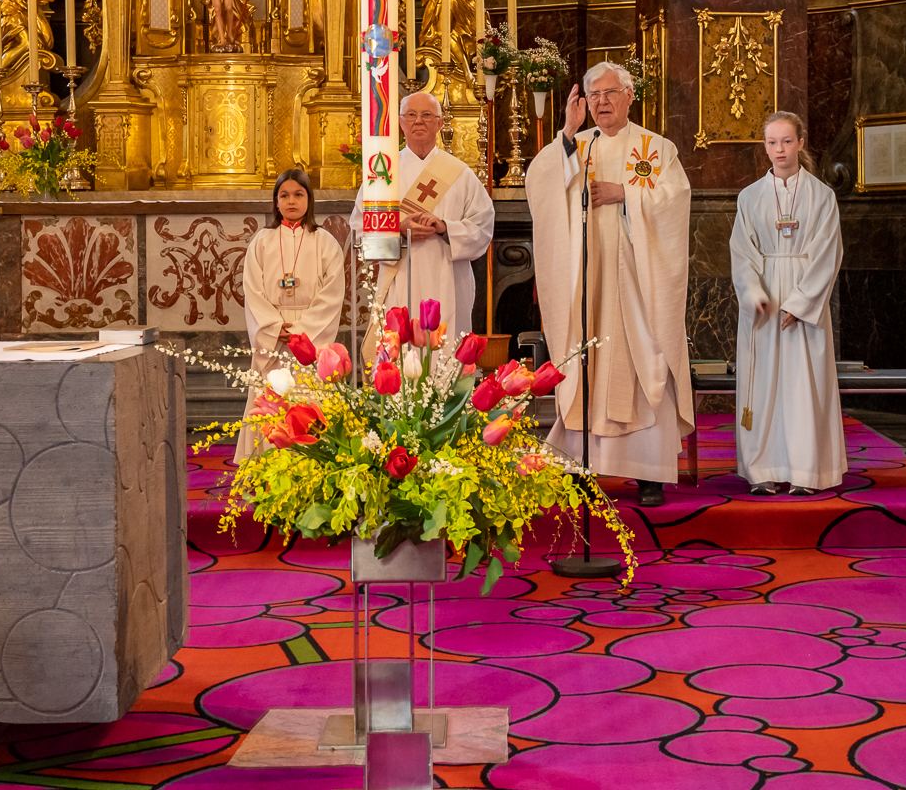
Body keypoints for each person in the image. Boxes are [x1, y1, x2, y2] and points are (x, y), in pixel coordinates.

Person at [525, 61, 693, 507]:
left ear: (629, 96)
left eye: (610, 93)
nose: (602, 102)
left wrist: (626, 194)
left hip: (639, 281)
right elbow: (540, 186)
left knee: (645, 359)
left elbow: (676, 201)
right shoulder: (577, 145)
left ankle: (649, 472)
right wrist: (566, 131)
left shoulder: (656, 148)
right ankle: (583, 465)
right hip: (586, 279)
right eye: (594, 95)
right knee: (586, 364)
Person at [730, 112, 846, 495]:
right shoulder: (749, 197)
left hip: (803, 301)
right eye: (772, 142)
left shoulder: (822, 196)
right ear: (764, 147)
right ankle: (761, 469)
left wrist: (800, 303)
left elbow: (828, 253)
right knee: (762, 385)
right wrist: (754, 294)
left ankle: (806, 471)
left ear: (800, 143)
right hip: (764, 302)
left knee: (803, 387)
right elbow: (741, 253)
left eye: (786, 141)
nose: (779, 149)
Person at [350, 91, 494, 361]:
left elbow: (483, 227)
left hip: (449, 279)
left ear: (440, 123)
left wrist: (445, 228)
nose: (419, 121)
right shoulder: (381, 173)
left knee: (445, 358)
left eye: (427, 115)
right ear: (401, 122)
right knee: (401, 359)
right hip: (399, 278)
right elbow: (360, 234)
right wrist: (398, 229)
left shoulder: (461, 174)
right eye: (411, 115)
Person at [236, 168, 346, 461]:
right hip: (273, 334)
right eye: (284, 195)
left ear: (309, 199)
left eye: (298, 194)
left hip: (310, 337)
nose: (291, 201)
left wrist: (301, 333)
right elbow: (252, 290)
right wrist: (272, 327)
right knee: (271, 404)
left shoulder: (325, 242)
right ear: (276, 201)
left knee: (308, 401)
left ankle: (313, 463)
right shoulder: (262, 241)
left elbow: (332, 294)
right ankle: (267, 465)